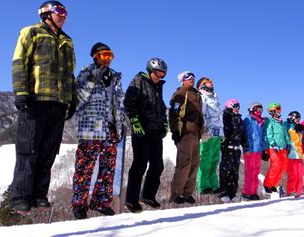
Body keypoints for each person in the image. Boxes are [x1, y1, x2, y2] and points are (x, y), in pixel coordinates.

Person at [10, 0, 77, 215]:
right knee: (28, 149)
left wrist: (72, 99)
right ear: (46, 13)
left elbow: (70, 73)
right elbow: (20, 62)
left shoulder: (68, 41)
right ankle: (21, 197)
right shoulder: (31, 32)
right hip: (35, 100)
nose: (64, 16)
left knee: (49, 151)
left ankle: (39, 194)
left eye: (66, 13)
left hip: (58, 103)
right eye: (60, 12)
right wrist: (21, 92)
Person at [71, 43, 125, 219]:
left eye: (110, 56)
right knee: (85, 167)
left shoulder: (115, 77)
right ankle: (79, 204)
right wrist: (93, 79)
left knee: (108, 167)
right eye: (104, 55)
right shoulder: (86, 73)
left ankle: (100, 201)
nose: (107, 59)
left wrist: (120, 123)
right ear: (95, 56)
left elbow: (118, 104)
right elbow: (78, 99)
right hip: (90, 127)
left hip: (110, 128)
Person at [123, 58, 168, 213]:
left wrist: (164, 123)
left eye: (163, 74)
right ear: (150, 71)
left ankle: (147, 195)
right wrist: (135, 122)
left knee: (158, 165)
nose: (160, 77)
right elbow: (128, 102)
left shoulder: (158, 87)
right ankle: (131, 199)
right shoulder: (138, 81)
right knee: (140, 164)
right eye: (158, 73)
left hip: (155, 130)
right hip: (141, 130)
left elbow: (161, 106)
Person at [169, 71, 204, 204]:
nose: (192, 80)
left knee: (195, 164)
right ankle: (176, 193)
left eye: (193, 78)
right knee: (184, 163)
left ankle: (187, 193)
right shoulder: (180, 94)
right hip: (185, 133)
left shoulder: (196, 94)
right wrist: (175, 132)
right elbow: (173, 114)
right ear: (182, 80)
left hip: (196, 133)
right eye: (188, 78)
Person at [196, 77, 224, 194]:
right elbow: (201, 115)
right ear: (201, 85)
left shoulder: (215, 98)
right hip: (207, 133)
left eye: (211, 81)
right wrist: (203, 131)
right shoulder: (201, 97)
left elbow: (220, 117)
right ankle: (203, 186)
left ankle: (213, 185)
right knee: (205, 160)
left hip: (217, 134)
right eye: (207, 81)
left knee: (214, 160)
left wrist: (222, 133)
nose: (210, 82)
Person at [217, 99, 246, 202]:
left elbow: (242, 135)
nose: (237, 109)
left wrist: (245, 145)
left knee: (234, 172)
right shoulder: (225, 117)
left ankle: (232, 193)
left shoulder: (239, 119)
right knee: (226, 171)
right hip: (227, 148)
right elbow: (223, 131)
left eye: (238, 107)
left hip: (236, 149)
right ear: (229, 107)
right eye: (235, 107)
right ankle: (223, 192)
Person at [263, 102, 290, 194]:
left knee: (283, 166)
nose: (279, 110)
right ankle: (267, 184)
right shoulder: (270, 121)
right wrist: (273, 144)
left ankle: (272, 184)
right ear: (272, 111)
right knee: (276, 165)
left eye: (280, 108)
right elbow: (268, 134)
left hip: (282, 147)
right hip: (273, 147)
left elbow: (286, 134)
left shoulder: (281, 122)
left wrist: (288, 144)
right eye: (278, 108)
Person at [242, 102, 267, 200]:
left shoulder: (260, 122)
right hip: (250, 150)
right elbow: (244, 135)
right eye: (258, 109)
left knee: (256, 171)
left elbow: (262, 137)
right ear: (252, 109)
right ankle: (247, 192)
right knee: (250, 172)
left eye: (261, 110)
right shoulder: (248, 120)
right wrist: (246, 148)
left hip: (258, 150)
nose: (260, 112)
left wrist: (264, 150)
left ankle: (253, 192)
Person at [284, 111, 304, 198]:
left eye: (299, 118)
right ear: (292, 118)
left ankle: (299, 192)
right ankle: (290, 191)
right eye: (296, 118)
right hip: (290, 154)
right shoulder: (287, 126)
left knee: (300, 174)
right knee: (292, 174)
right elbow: (285, 133)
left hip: (299, 154)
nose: (298, 120)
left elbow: (301, 140)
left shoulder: (300, 128)